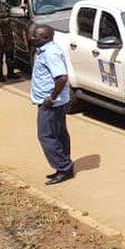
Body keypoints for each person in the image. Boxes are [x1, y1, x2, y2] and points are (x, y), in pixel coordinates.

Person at [30, 25, 73, 185]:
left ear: (46, 38)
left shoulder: (51, 53)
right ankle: (64, 165)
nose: (32, 37)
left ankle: (64, 167)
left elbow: (61, 77)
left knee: (46, 135)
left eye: (36, 36)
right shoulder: (43, 51)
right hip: (54, 101)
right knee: (59, 134)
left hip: (51, 103)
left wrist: (51, 98)